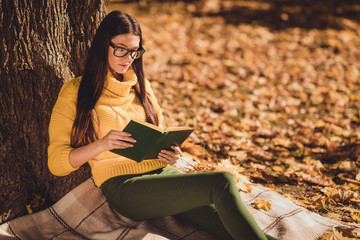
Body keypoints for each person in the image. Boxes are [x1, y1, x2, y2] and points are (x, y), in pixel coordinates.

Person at [48, 10, 277, 240]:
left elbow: (160, 132)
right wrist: (102, 145)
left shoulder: (142, 87)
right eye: (120, 49)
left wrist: (172, 154)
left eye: (134, 51)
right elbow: (56, 164)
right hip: (124, 187)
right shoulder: (75, 91)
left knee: (230, 228)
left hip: (162, 173)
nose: (128, 58)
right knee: (222, 182)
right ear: (102, 45)